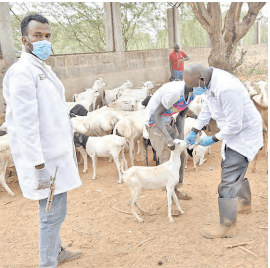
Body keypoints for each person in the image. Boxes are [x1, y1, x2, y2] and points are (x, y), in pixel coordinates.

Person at [3, 14, 83, 267]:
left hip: (56, 155)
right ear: (25, 39)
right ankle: (47, 263)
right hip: (44, 161)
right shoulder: (22, 73)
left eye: (47, 36)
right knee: (51, 215)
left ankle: (57, 251)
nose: (44, 41)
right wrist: (38, 166)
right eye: (38, 35)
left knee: (57, 210)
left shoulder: (41, 69)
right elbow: (25, 125)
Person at [184, 63, 263, 239]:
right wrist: (195, 129)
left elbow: (235, 125)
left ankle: (228, 226)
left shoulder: (226, 88)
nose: (196, 90)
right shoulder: (211, 79)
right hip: (234, 131)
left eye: (196, 86)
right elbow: (208, 108)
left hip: (244, 133)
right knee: (233, 166)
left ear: (201, 79)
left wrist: (213, 139)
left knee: (229, 175)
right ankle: (243, 202)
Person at [144, 80, 194, 199]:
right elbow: (156, 115)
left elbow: (181, 116)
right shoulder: (175, 92)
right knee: (167, 157)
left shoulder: (192, 93)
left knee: (181, 154)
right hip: (155, 123)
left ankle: (175, 189)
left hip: (169, 121)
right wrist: (167, 137)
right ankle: (170, 194)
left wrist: (181, 135)